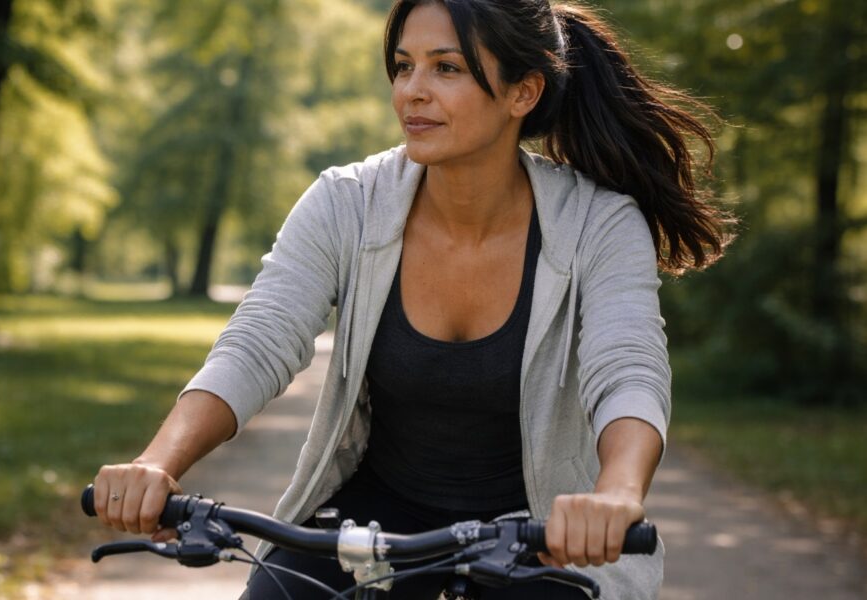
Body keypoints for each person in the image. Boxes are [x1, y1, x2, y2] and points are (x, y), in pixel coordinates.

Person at [92, 1, 729, 598]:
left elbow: (628, 366)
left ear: (523, 92)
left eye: (446, 67)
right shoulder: (347, 202)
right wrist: (156, 463)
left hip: (540, 531)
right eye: (403, 66)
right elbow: (260, 339)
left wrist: (615, 495)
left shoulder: (599, 222)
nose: (411, 91)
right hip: (374, 515)